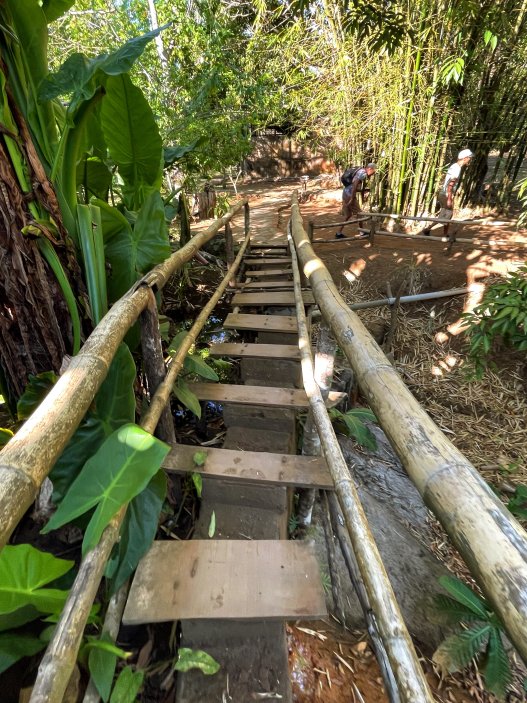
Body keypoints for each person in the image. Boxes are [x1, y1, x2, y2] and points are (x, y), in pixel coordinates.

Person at [423, 149, 473, 237]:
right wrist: (449, 198)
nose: (470, 160)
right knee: (448, 214)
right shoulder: (457, 168)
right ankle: (443, 233)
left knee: (444, 215)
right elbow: (450, 184)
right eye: (469, 158)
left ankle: (429, 229)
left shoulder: (454, 166)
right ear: (465, 158)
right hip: (446, 194)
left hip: (443, 193)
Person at [336, 163, 376, 238]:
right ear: (370, 169)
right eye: (373, 172)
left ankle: (338, 233)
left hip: (345, 193)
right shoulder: (363, 173)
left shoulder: (360, 171)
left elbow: (352, 186)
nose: (372, 174)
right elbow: (354, 185)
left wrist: (362, 190)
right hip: (350, 196)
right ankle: (362, 232)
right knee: (360, 214)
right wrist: (352, 198)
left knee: (348, 215)